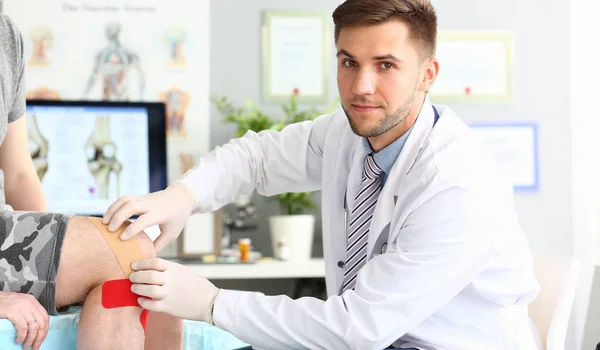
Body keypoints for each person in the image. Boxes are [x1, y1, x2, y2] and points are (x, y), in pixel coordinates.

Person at [104, 0, 542, 349]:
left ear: (427, 74)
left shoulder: (457, 183)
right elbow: (256, 157)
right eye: (349, 62)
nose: (361, 86)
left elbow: (360, 328)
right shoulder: (345, 133)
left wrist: (214, 303)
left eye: (385, 65)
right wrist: (183, 195)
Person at [0, 13, 183, 350]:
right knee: (127, 248)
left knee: (160, 290)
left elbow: (19, 174)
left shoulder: (6, 35)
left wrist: (59, 252)